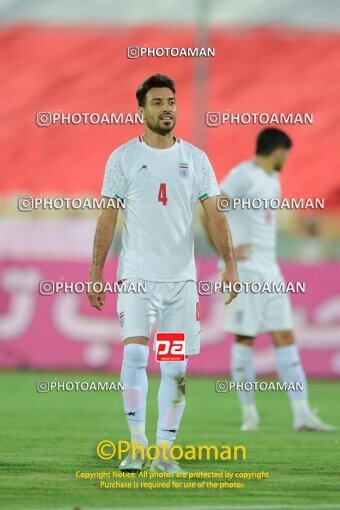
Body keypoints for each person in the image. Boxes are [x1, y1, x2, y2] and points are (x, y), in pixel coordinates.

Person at [87, 74, 239, 473]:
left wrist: (230, 264)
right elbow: (108, 217)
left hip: (179, 286)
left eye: (171, 101)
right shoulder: (122, 158)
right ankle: (136, 446)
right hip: (136, 280)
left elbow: (213, 214)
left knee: (174, 367)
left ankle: (164, 453)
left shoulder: (195, 159)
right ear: (142, 110)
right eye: (157, 102)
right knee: (136, 354)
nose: (166, 108)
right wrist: (96, 270)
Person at [208, 128, 335, 432]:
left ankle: (302, 413)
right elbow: (210, 209)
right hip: (247, 270)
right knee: (245, 338)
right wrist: (227, 253)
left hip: (271, 272)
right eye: (286, 154)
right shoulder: (243, 175)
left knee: (285, 337)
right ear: (278, 151)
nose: (287, 159)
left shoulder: (272, 180)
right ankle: (249, 415)